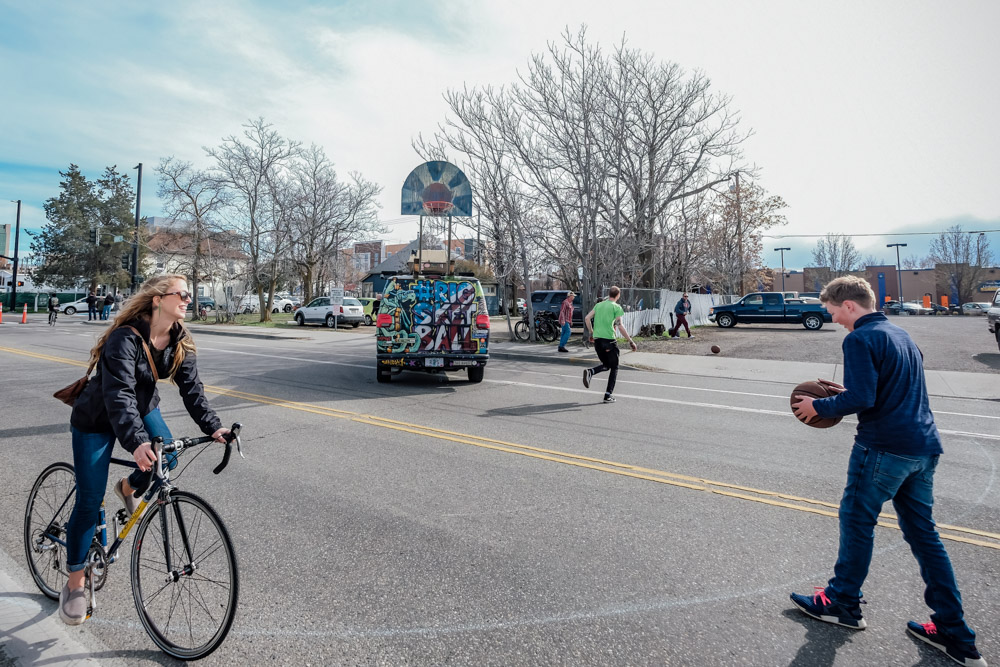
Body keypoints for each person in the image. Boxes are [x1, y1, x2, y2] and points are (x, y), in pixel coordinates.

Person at [789, 276, 986, 667]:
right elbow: (892, 388)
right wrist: (844, 394)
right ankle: (955, 632)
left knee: (857, 522)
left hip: (883, 448)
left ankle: (842, 602)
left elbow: (864, 397)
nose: (834, 320)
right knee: (926, 537)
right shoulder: (902, 335)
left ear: (849, 305)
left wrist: (819, 407)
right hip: (924, 447)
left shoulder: (859, 339)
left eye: (833, 312)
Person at [59, 274, 231, 626]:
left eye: (189, 295)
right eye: (181, 294)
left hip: (140, 409)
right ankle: (75, 582)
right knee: (89, 500)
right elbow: (118, 394)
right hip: (97, 417)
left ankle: (128, 487)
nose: (188, 299)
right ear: (157, 299)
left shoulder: (180, 341)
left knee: (167, 456)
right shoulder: (124, 338)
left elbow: (193, 391)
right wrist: (137, 442)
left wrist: (214, 426)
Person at [582, 286, 637, 403]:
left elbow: (587, 318)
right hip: (609, 341)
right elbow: (620, 325)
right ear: (618, 295)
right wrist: (630, 341)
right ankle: (608, 395)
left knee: (607, 365)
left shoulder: (599, 305)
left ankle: (591, 372)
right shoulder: (616, 307)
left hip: (597, 340)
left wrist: (591, 332)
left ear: (609, 294)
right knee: (615, 367)